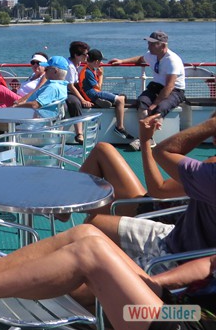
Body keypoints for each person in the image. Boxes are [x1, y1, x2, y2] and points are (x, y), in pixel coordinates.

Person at [0, 223, 216, 330]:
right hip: (188, 312)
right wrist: (153, 285)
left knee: (90, 254)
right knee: (86, 233)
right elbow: (209, 264)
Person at [88, 113, 216, 269]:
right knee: (102, 153)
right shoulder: (208, 170)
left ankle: (67, 212)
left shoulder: (210, 171)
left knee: (102, 151)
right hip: (170, 222)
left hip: (151, 212)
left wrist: (145, 141)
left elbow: (158, 188)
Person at [110, 31, 186, 150]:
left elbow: (169, 86)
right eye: (149, 43)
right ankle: (148, 138)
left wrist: (155, 104)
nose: (149, 46)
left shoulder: (172, 60)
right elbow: (140, 59)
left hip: (175, 91)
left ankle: (144, 139)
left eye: (152, 44)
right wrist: (122, 61)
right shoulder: (152, 55)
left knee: (159, 109)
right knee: (142, 102)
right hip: (157, 87)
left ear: (163, 45)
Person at [0, 56, 69, 144]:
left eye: (47, 68)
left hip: (31, 122)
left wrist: (17, 106)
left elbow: (35, 105)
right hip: (36, 118)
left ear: (55, 71)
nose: (45, 70)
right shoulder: (61, 86)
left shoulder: (52, 88)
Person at [78, 48, 133, 139]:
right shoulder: (88, 72)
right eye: (100, 61)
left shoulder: (88, 69)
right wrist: (101, 75)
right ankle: (119, 127)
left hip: (92, 93)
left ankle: (100, 100)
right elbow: (98, 87)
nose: (101, 63)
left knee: (122, 96)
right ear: (96, 62)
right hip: (92, 95)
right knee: (120, 99)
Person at [64, 41, 94, 142]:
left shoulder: (78, 63)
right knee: (75, 102)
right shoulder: (69, 67)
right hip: (66, 91)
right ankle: (79, 134)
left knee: (91, 94)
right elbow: (70, 86)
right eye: (85, 54)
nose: (87, 56)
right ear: (76, 55)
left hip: (74, 88)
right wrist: (82, 100)